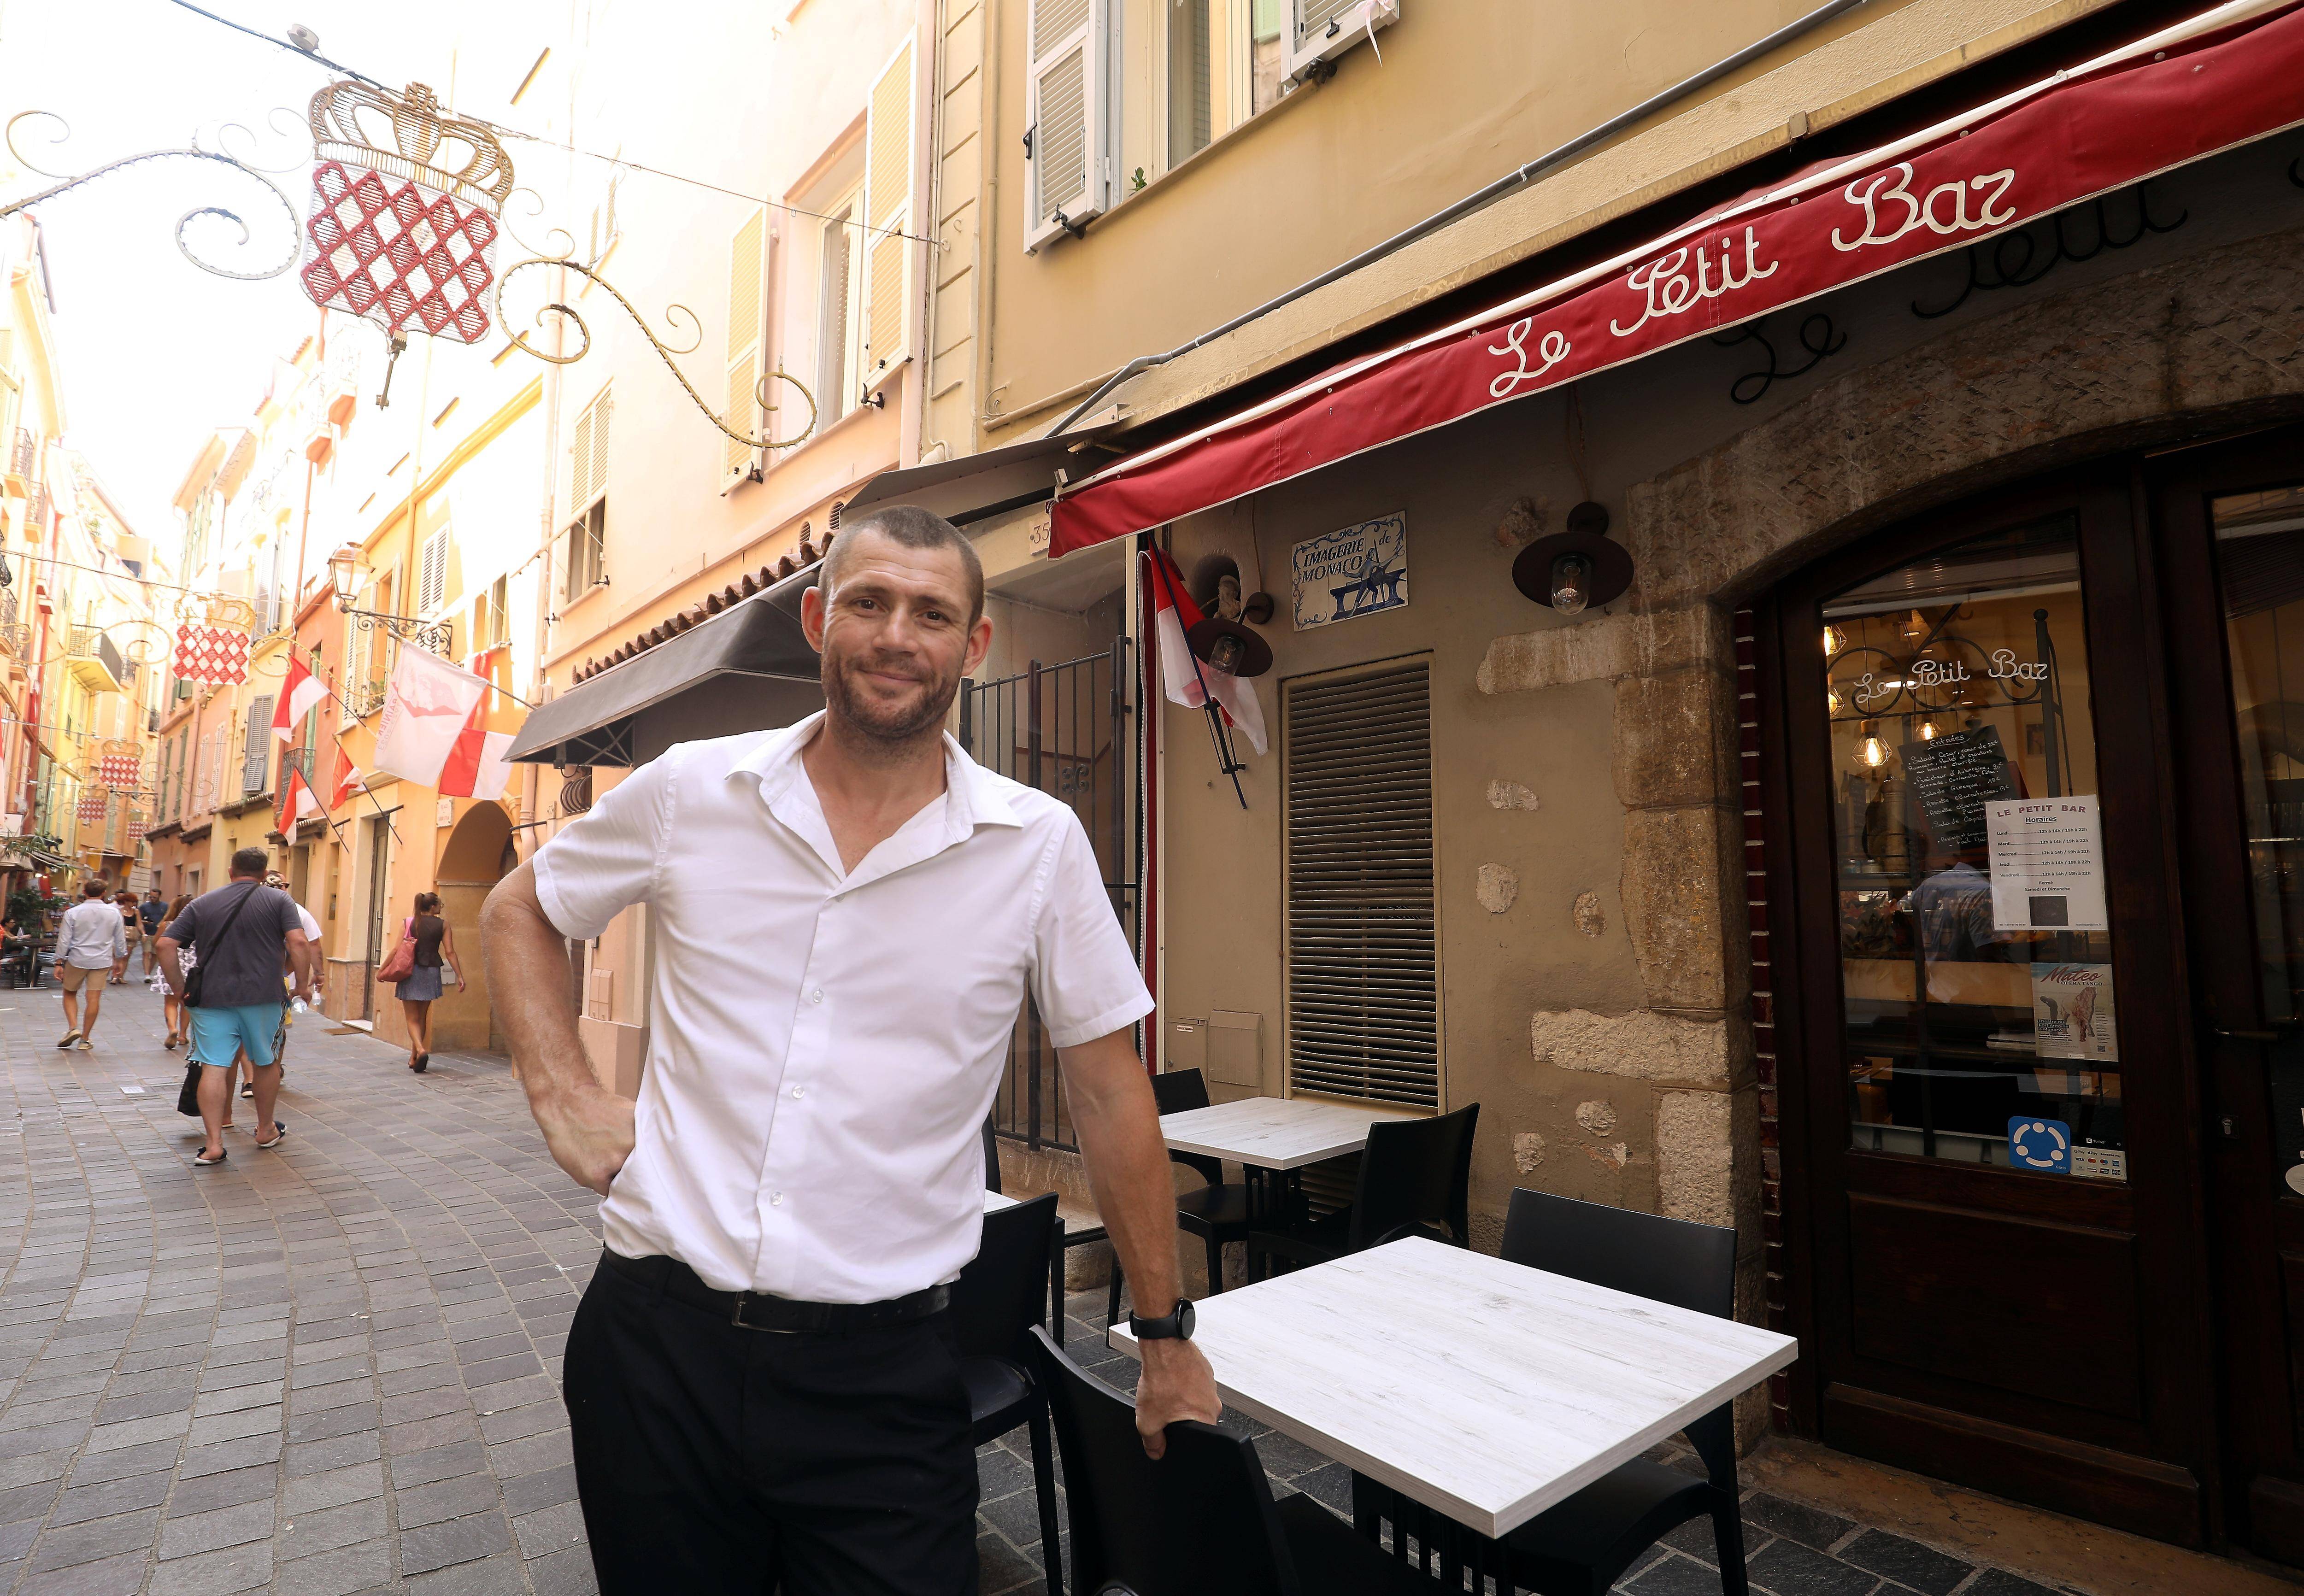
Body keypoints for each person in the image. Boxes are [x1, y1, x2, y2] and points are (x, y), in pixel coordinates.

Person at [482, 506, 1219, 1595]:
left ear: (973, 646)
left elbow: (1110, 1095)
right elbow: (518, 907)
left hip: (882, 1375)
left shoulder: (1035, 843)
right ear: (822, 618)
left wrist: (1163, 1336)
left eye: (932, 612)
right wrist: (562, 1089)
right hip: (654, 1347)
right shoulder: (695, 788)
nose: (895, 634)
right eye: (869, 601)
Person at [155, 847, 316, 1168]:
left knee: (214, 1065)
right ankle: (266, 1129)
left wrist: (179, 989)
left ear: (231, 871)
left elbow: (164, 944)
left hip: (213, 998)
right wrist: (301, 986)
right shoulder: (280, 901)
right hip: (264, 996)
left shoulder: (203, 903)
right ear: (263, 873)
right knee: (265, 1061)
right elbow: (298, 942)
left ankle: (213, 1145)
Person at [54, 880, 125, 1050]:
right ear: (104, 893)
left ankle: (73, 1027)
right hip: (102, 960)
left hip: (77, 959)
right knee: (93, 999)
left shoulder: (73, 912)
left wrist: (59, 962)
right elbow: (120, 939)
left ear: (84, 892)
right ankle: (85, 1039)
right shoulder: (114, 913)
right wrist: (120, 959)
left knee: (70, 993)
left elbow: (64, 939)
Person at [398, 891, 462, 1074]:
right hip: (431, 972)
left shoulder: (409, 922)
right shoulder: (443, 925)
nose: (441, 908)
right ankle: (414, 1057)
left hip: (411, 971)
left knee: (411, 1018)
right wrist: (460, 976)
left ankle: (420, 1050)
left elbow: (397, 949)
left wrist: (384, 971)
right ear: (433, 907)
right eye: (440, 905)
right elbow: (450, 952)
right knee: (422, 1016)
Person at [159, 892, 193, 1049]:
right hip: (192, 964)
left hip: (171, 962)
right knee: (187, 1002)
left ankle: (172, 1028)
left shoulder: (166, 925)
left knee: (170, 1002)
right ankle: (183, 1035)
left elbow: (157, 943)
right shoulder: (198, 924)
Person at [112, 893, 141, 984]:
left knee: (126, 957)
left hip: (131, 936)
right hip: (119, 935)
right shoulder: (118, 911)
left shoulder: (136, 912)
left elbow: (139, 923)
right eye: (132, 902)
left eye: (135, 902)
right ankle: (114, 976)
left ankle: (120, 976)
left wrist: (144, 934)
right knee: (116, 957)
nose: (134, 904)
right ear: (126, 902)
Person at [138, 888, 167, 976]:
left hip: (159, 934)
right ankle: (147, 974)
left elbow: (168, 917)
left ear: (159, 896)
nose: (153, 899)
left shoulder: (165, 906)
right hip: (147, 933)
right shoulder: (144, 907)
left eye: (155, 897)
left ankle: (149, 973)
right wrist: (145, 923)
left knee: (155, 955)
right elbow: (139, 920)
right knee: (146, 953)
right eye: (151, 897)